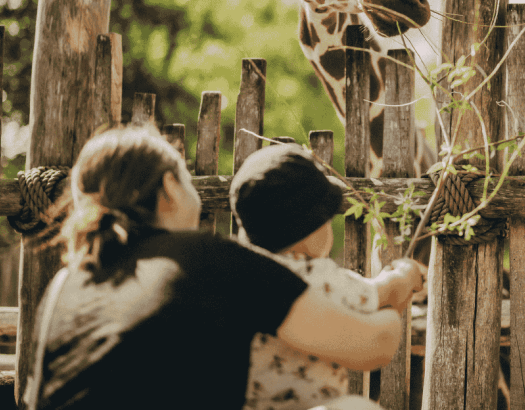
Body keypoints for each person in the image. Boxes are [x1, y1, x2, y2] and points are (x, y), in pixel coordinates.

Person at [24, 126, 419, 410]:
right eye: (185, 174)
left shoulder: (67, 283)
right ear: (169, 189)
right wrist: (395, 295)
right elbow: (371, 345)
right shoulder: (207, 260)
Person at [230, 143, 423, 410]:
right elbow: (381, 293)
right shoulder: (316, 277)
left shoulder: (237, 275)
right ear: (311, 230)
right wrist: (406, 274)